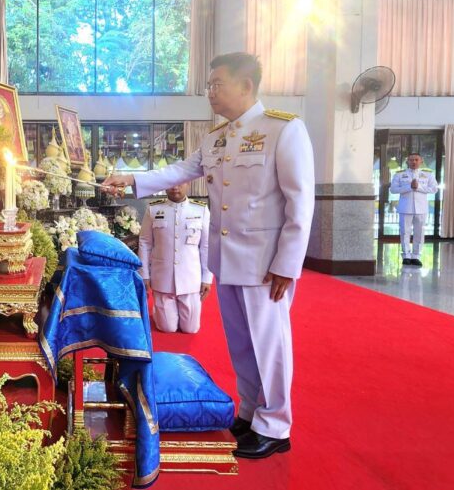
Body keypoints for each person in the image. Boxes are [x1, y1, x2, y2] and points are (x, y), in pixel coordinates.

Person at [103, 52, 315, 459]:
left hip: (266, 264)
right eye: (209, 85)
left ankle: (276, 425)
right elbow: (179, 171)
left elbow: (300, 203)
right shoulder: (216, 137)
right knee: (242, 343)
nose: (211, 93)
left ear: (246, 85)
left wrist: (288, 264)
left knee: (270, 344)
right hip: (228, 259)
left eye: (218, 84)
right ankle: (251, 412)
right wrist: (131, 179)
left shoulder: (283, 130)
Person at [138, 183, 212, 334]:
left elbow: (206, 246)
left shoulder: (201, 209)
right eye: (171, 184)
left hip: (190, 279)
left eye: (180, 183)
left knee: (191, 329)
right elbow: (145, 243)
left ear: (188, 184)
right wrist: (144, 275)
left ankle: (167, 311)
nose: (175, 187)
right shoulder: (153, 209)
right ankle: (160, 311)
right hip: (163, 278)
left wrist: (207, 278)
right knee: (167, 328)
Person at [389, 153, 438, 267]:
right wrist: (409, 187)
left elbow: (434, 189)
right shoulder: (400, 174)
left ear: (421, 161)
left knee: (419, 233)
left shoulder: (428, 174)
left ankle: (416, 256)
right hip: (405, 207)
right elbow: (393, 189)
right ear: (407, 161)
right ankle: (406, 255)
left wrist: (418, 187)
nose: (414, 162)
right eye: (411, 160)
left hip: (421, 208)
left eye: (416, 160)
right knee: (404, 232)